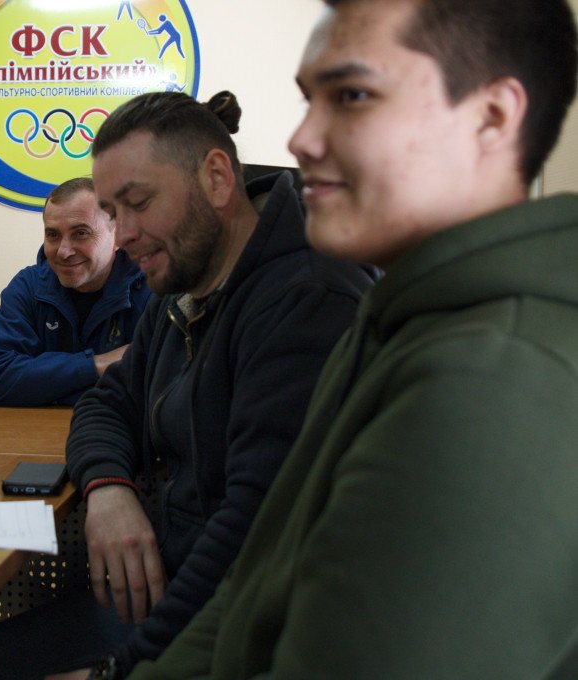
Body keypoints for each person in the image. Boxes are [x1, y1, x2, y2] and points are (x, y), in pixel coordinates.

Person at [127, 0, 578, 678]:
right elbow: (255, 583)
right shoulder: (396, 322)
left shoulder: (492, 379)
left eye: (354, 96)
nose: (301, 139)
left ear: (491, 117)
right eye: (309, 101)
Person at [0, 91, 375, 678]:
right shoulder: (183, 284)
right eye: (114, 211)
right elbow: (109, 401)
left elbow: (255, 538)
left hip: (249, 614)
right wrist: (107, 488)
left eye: (137, 203)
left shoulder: (308, 300)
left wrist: (120, 671)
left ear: (217, 179)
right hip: (174, 575)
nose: (124, 235)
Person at [0, 177, 151, 407]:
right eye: (53, 235)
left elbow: (159, 385)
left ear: (118, 236)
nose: (63, 251)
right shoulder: (27, 287)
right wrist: (97, 364)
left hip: (120, 428)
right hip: (38, 429)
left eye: (81, 233)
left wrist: (49, 388)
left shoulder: (154, 288)